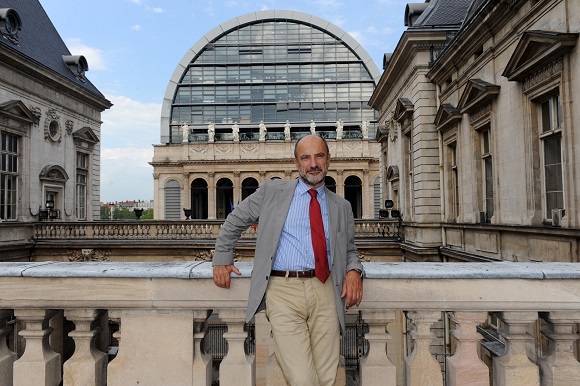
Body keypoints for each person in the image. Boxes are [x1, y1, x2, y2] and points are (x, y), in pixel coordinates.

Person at [213, 135, 363, 386]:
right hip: (283, 291)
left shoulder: (342, 206)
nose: (313, 163)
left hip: (327, 291)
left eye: (319, 156)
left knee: (326, 377)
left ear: (328, 160)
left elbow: (349, 250)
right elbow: (234, 220)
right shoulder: (273, 191)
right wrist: (222, 257)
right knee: (302, 379)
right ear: (296, 162)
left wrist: (354, 271)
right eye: (306, 157)